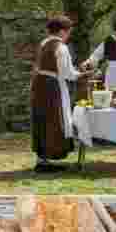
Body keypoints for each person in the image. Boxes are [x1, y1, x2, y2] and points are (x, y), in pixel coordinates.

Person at [32, 15, 81, 172]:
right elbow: (68, 74)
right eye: (68, 31)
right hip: (52, 86)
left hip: (39, 84)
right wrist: (82, 74)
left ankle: (42, 159)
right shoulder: (61, 47)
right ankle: (46, 160)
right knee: (54, 120)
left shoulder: (43, 43)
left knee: (42, 120)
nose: (69, 35)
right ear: (61, 31)